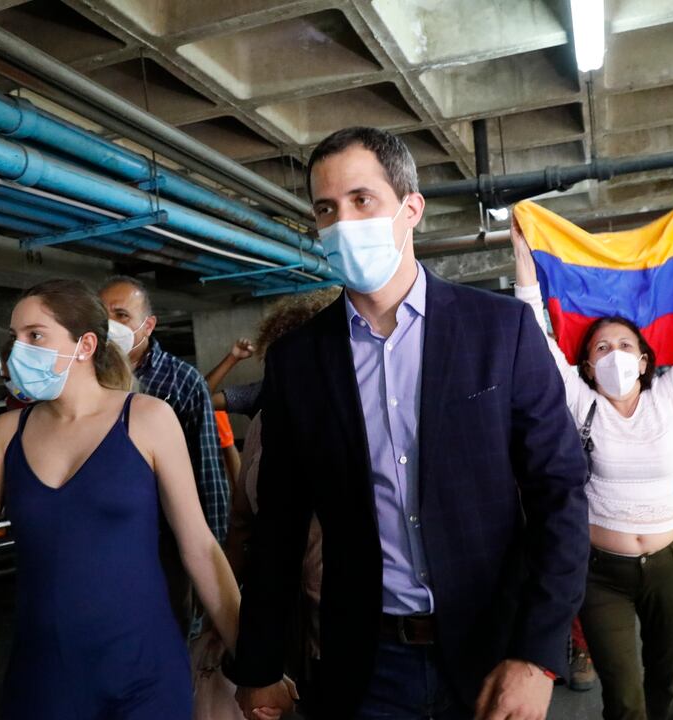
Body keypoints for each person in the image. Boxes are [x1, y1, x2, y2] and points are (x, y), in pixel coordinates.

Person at [231, 126, 590, 720]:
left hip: (489, 651)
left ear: (411, 208)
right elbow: (280, 529)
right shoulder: (298, 362)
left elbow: (560, 493)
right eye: (326, 209)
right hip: (365, 664)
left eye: (361, 200)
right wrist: (259, 663)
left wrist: (538, 652)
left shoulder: (500, 331)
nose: (342, 222)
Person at [0, 279, 274, 718]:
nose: (19, 350)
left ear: (85, 344)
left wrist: (256, 664)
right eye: (14, 337)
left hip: (144, 676)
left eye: (35, 335)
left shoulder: (147, 419)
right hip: (43, 680)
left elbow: (201, 549)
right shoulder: (6, 434)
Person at [514, 187, 673, 720]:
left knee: (664, 682)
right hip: (598, 573)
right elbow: (533, 328)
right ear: (587, 367)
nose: (613, 354)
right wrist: (523, 254)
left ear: (644, 361)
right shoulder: (577, 401)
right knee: (624, 694)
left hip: (669, 565)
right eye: (600, 348)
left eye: (625, 347)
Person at [99, 275, 230, 637]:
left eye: (122, 315)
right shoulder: (85, 379)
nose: (110, 325)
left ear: (148, 325)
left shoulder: (182, 382)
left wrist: (215, 564)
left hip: (167, 542)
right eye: (102, 314)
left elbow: (209, 475)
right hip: (106, 541)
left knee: (171, 636)